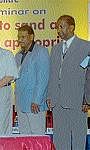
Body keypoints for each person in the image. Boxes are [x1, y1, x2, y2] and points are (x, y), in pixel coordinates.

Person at [47, 15, 90, 150]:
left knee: (78, 138)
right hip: (57, 102)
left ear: (71, 27)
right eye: (57, 27)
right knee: (60, 139)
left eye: (61, 26)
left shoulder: (86, 47)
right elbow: (52, 75)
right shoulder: (55, 49)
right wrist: (49, 96)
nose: (58, 30)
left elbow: (88, 74)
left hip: (78, 101)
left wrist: (87, 99)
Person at [15, 25, 49, 135]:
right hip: (21, 103)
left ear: (31, 37)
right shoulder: (18, 55)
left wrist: (37, 100)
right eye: (19, 37)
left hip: (35, 104)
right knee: (24, 138)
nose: (20, 40)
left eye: (23, 37)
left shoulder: (41, 51)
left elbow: (43, 78)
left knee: (37, 138)